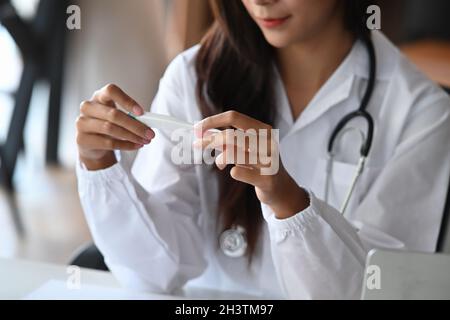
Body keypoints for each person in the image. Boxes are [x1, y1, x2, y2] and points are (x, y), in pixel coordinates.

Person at [75, 0, 450, 299]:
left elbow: (382, 291)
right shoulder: (192, 78)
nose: (261, 1)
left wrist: (288, 201)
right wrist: (99, 163)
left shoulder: (422, 114)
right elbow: (153, 273)